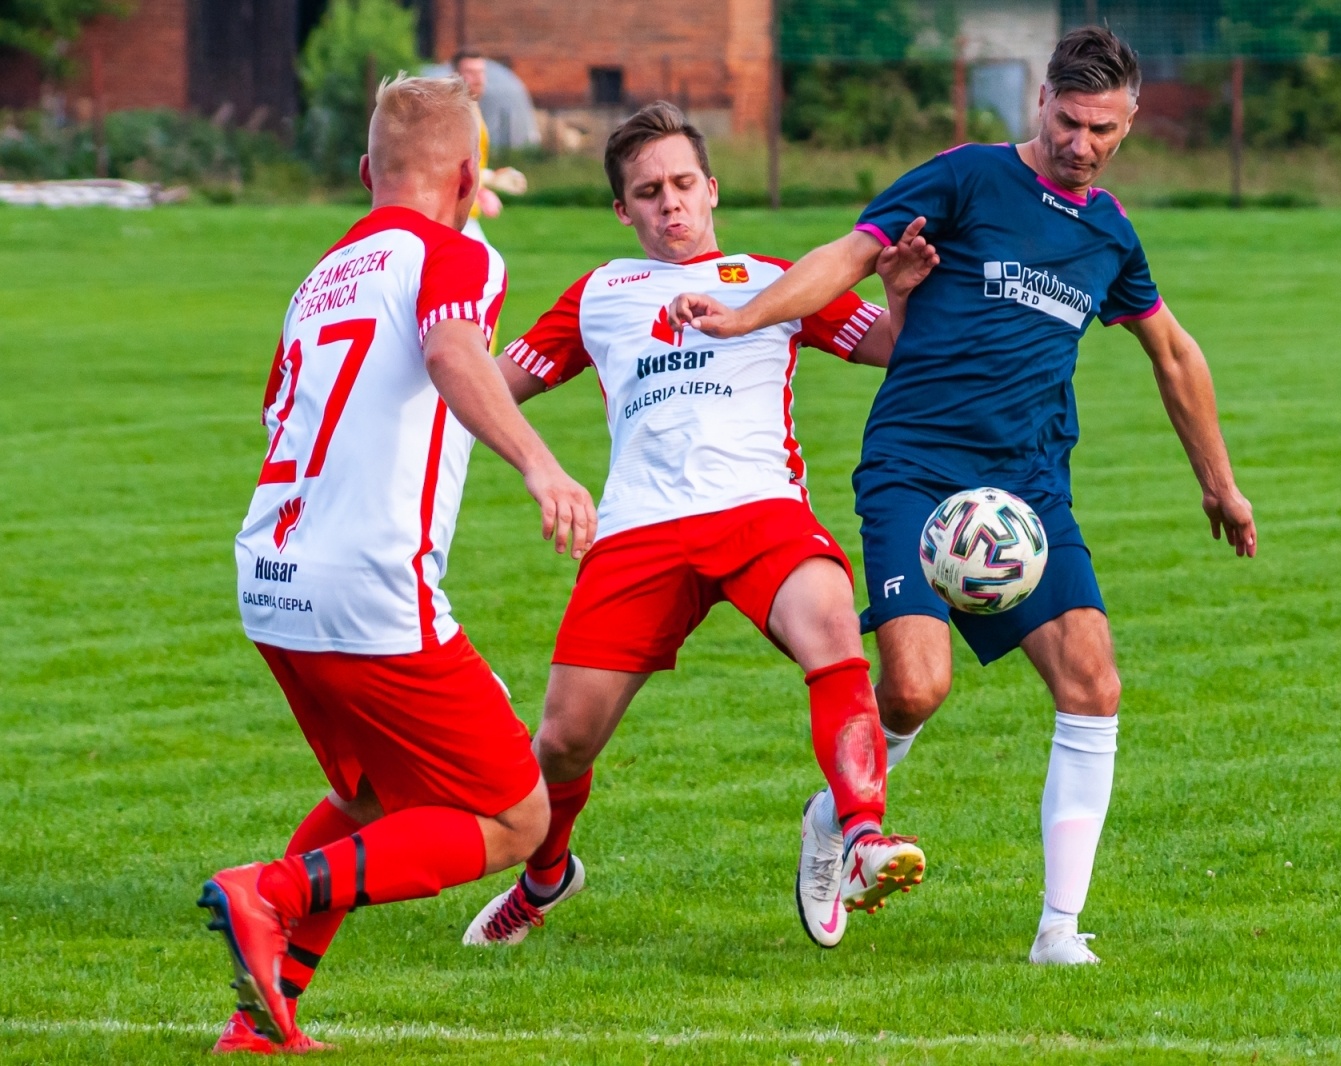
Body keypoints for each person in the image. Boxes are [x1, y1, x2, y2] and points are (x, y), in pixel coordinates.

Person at [667, 27, 1257, 966]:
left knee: (1093, 685)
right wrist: (745, 316)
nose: (1082, 144)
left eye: (1103, 129)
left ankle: (1060, 931)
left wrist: (1220, 486)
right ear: (1041, 103)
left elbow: (1174, 354)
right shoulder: (966, 176)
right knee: (914, 686)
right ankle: (835, 821)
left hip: (1026, 495)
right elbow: (847, 256)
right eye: (1068, 121)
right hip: (916, 470)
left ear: (1129, 122)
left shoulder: (1111, 236)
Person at [459, 102, 938, 951]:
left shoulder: (774, 278)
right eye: (648, 192)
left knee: (832, 623)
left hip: (761, 512)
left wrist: (898, 293)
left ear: (712, 189)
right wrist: (443, 354)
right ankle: (546, 876)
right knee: (562, 743)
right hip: (640, 530)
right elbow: (494, 387)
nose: (669, 203)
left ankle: (859, 832)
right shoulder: (600, 294)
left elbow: (897, 351)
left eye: (683, 183)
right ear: (623, 210)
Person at [200, 74, 595, 1053]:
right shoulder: (456, 251)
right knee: (513, 816)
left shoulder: (321, 275)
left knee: (371, 796)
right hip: (367, 588)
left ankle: (264, 1020)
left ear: (367, 169)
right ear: (469, 174)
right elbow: (456, 351)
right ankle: (271, 890)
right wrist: (541, 462)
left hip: (270, 575)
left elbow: (278, 415)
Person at [453, 49, 529, 246]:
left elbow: (467, 163)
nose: (477, 78)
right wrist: (487, 182)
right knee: (488, 268)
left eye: (481, 72)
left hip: (464, 213)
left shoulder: (472, 109)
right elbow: (450, 165)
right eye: (470, 72)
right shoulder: (455, 114)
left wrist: (488, 180)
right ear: (454, 76)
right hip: (452, 214)